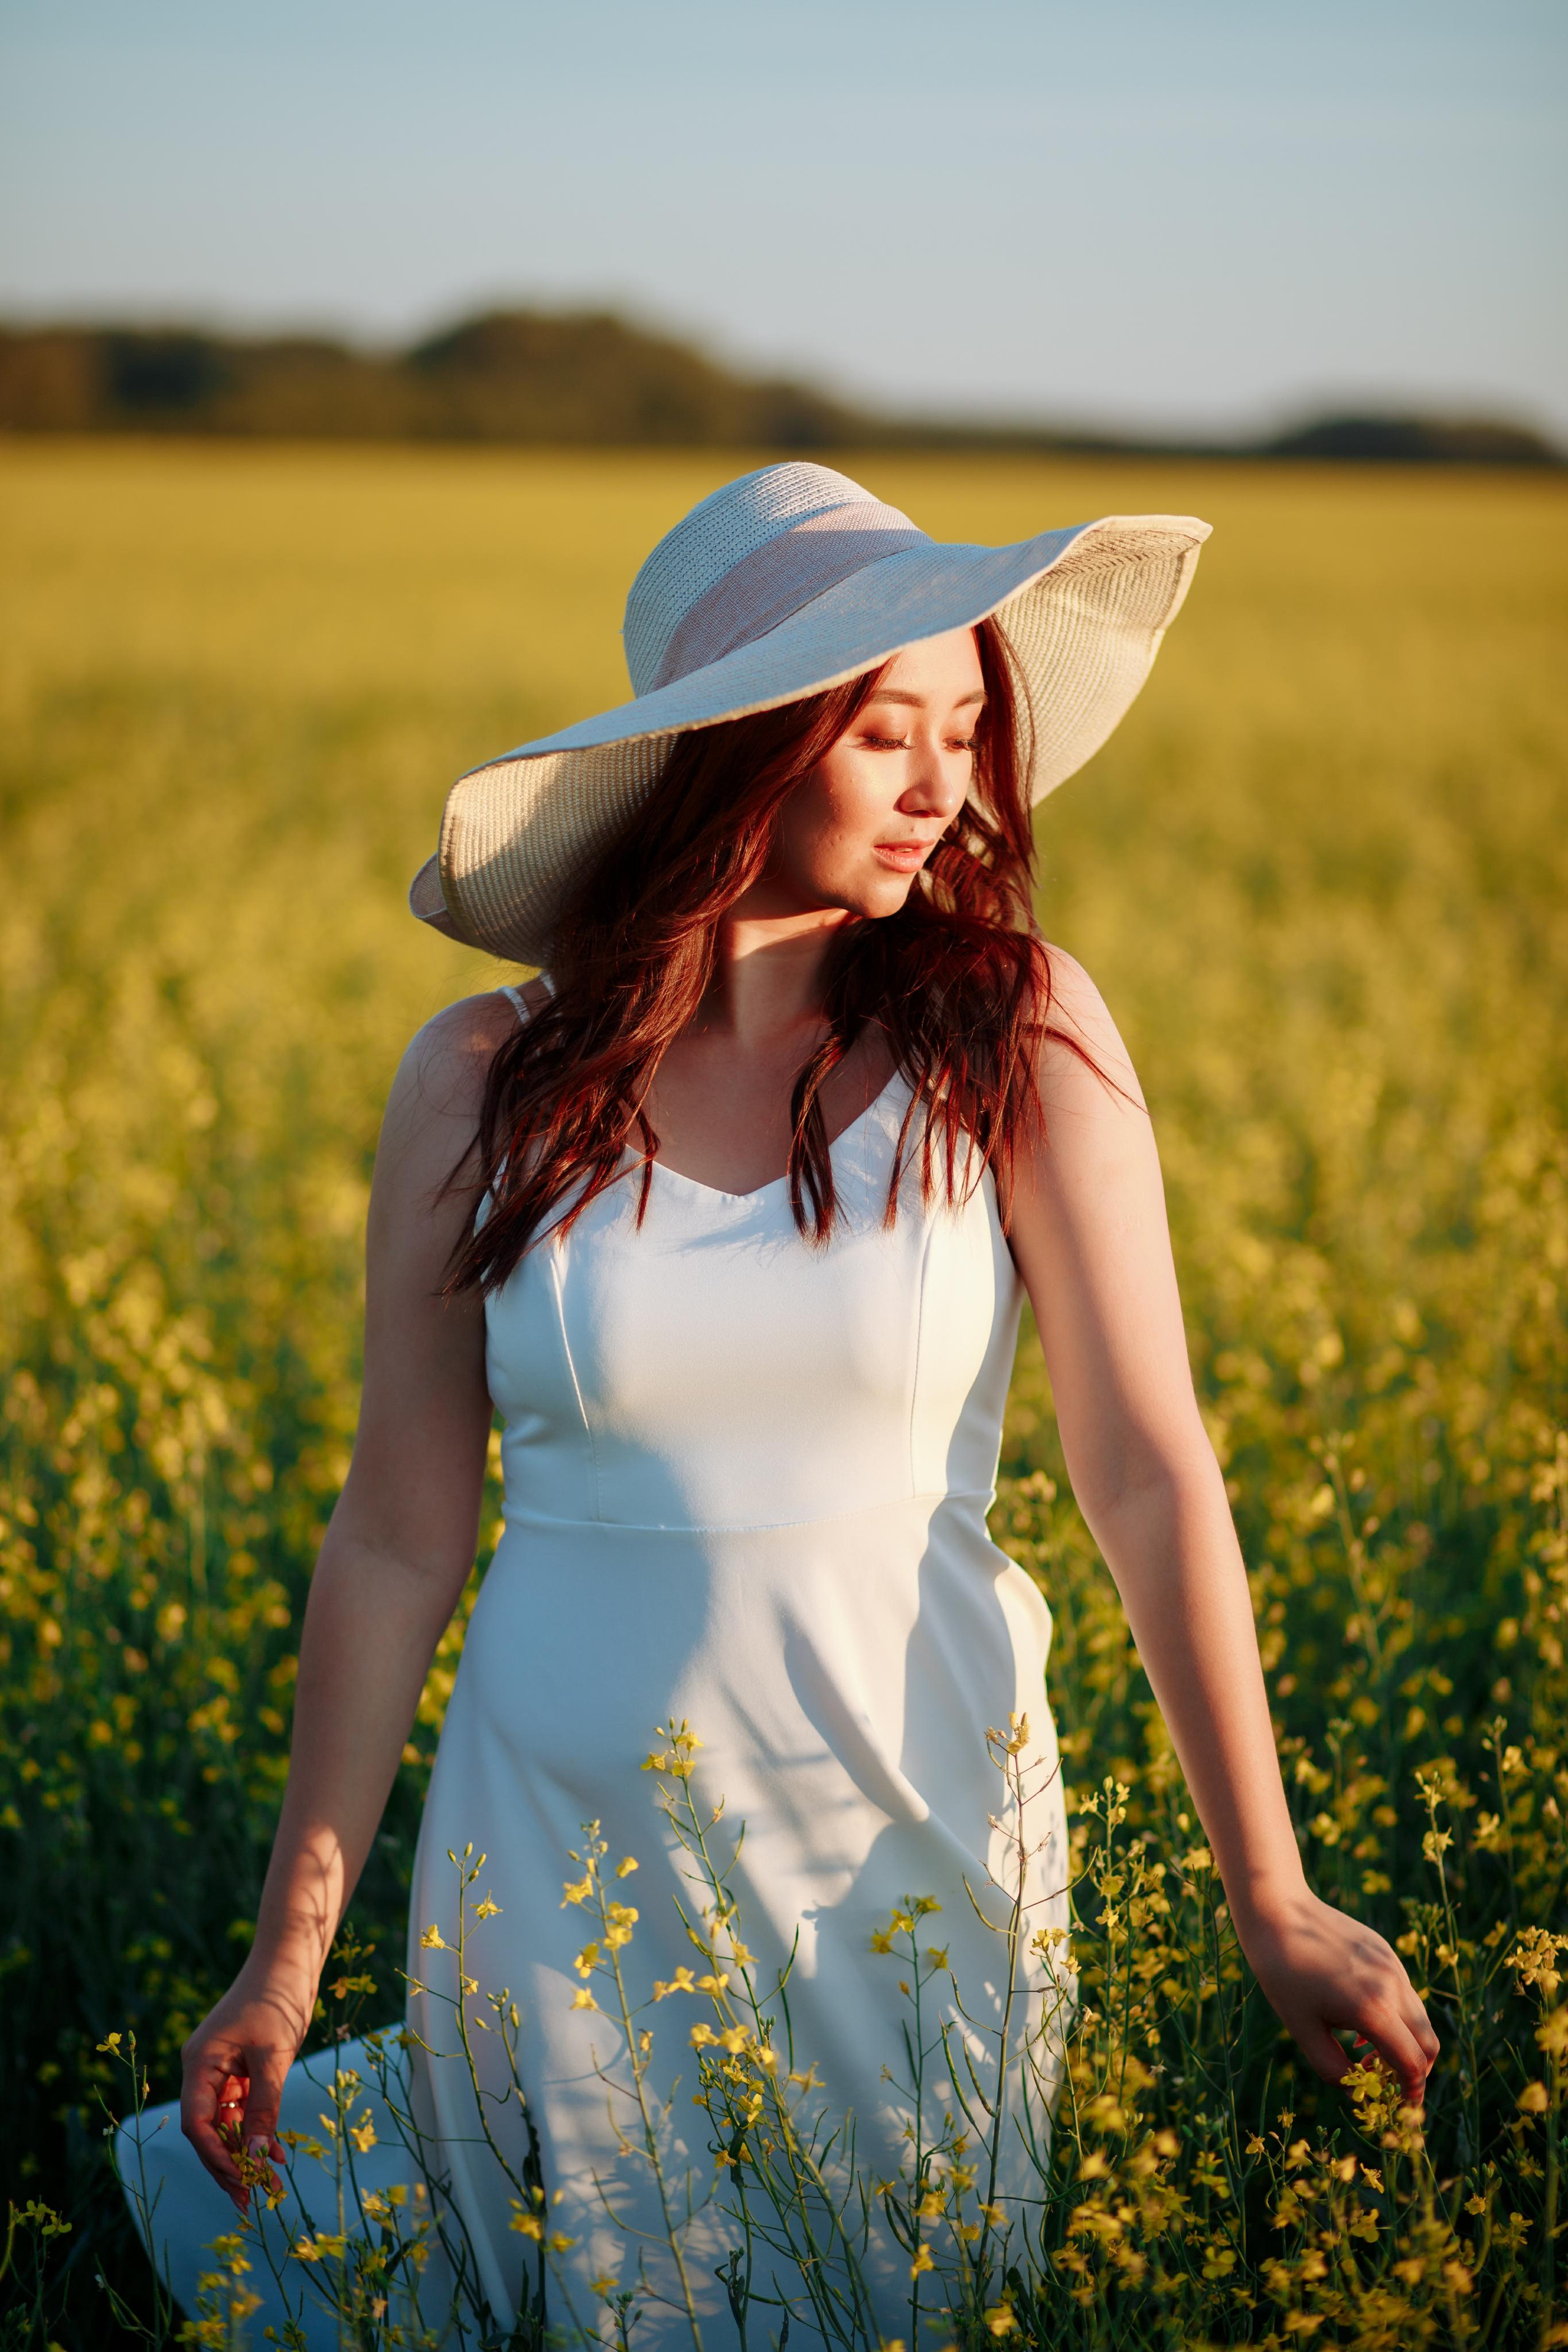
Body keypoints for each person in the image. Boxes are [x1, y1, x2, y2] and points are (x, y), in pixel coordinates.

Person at [127, 464, 1438, 2345]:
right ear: (738, 753)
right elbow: (402, 1534)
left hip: (902, 1844)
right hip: (552, 1850)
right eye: (886, 732)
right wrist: (282, 1964)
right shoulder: (485, 1081)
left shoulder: (1021, 1029)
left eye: (969, 731)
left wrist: (1273, 1891)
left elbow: (1148, 1468)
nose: (948, 788)